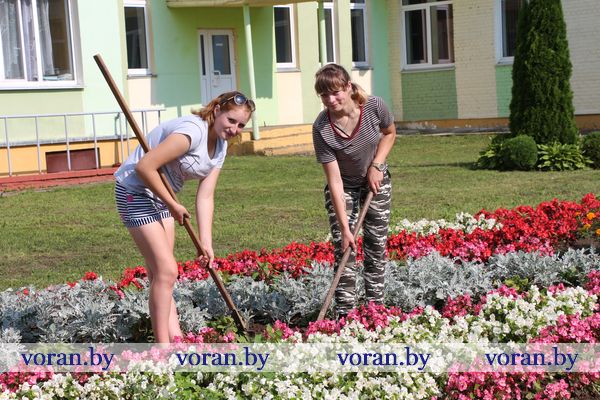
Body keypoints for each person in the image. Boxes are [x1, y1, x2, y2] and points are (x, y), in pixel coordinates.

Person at [114, 91, 255, 343]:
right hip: (134, 190)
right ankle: (163, 350)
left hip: (162, 197)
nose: (234, 129)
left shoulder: (220, 146)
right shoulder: (192, 132)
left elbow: (206, 196)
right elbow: (145, 166)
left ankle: (176, 339)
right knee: (167, 271)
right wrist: (172, 204)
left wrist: (205, 243)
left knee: (161, 274)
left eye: (241, 125)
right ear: (217, 111)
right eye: (231, 120)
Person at [312, 63, 396, 317]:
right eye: (324, 95)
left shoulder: (374, 106)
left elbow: (389, 133)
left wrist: (377, 165)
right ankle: (345, 315)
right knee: (345, 247)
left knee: (375, 245)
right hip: (344, 187)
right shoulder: (322, 128)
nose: (330, 100)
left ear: (348, 87)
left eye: (335, 92)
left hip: (375, 181)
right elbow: (335, 180)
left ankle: (375, 310)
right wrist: (345, 228)